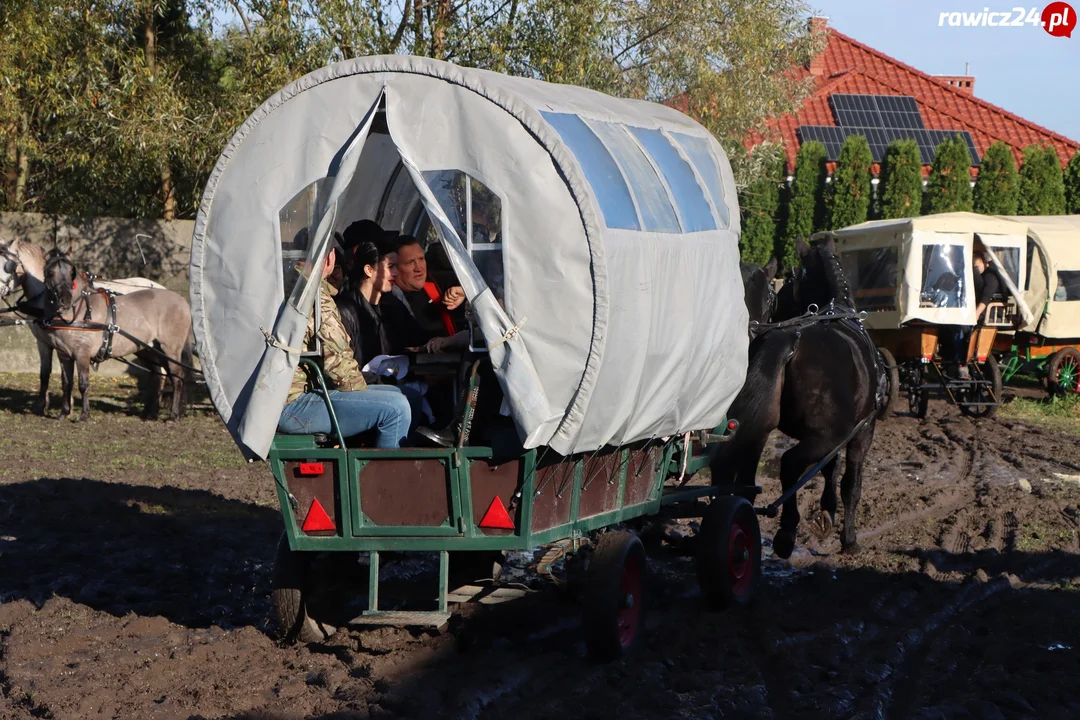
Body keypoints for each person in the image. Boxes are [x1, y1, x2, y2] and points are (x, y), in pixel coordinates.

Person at [277, 236, 413, 448]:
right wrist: (365, 402)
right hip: (295, 404)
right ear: (330, 258)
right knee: (396, 407)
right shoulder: (316, 299)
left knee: (401, 395)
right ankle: (384, 479)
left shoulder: (291, 288)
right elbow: (340, 365)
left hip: (286, 397)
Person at [335, 239, 431, 428]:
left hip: (387, 380)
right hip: (359, 386)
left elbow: (415, 337)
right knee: (404, 399)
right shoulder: (345, 309)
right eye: (390, 267)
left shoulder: (391, 305)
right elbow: (345, 367)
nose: (395, 273)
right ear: (369, 270)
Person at [386, 235, 470, 353]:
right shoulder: (389, 301)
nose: (419, 268)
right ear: (394, 268)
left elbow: (484, 288)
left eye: (421, 259)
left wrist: (465, 292)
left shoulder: (437, 282)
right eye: (410, 262)